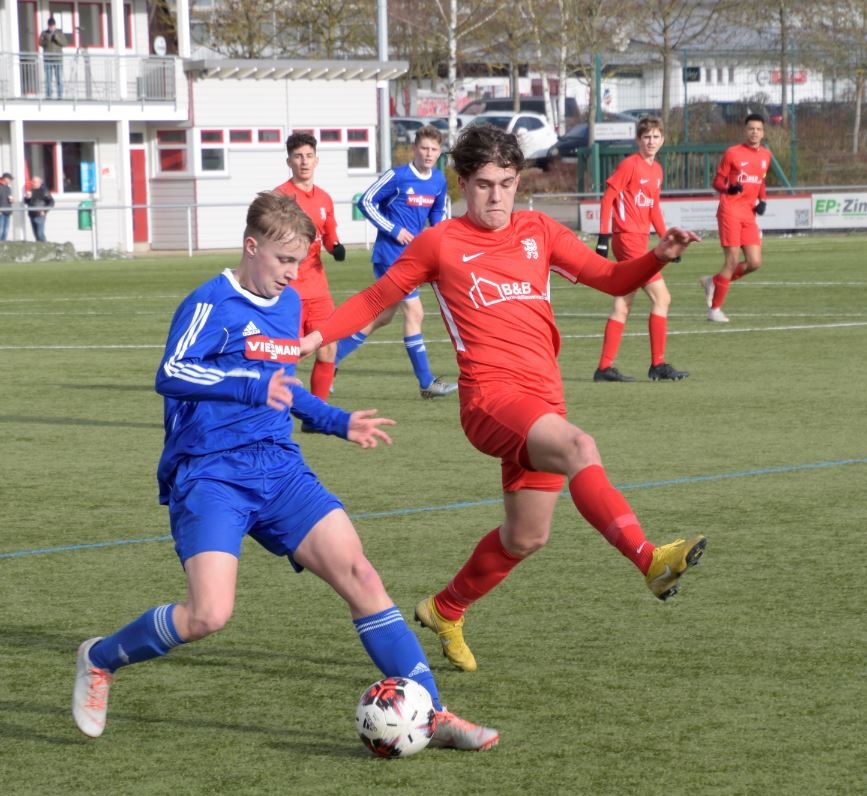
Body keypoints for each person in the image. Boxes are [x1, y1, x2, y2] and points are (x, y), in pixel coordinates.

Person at [71, 190, 498, 751]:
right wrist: (249, 385)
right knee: (208, 615)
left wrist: (336, 420)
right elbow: (171, 372)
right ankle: (100, 659)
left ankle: (434, 714)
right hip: (211, 473)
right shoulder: (210, 302)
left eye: (300, 262)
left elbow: (284, 386)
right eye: (284, 260)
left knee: (361, 576)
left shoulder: (290, 303)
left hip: (279, 468)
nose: (293, 274)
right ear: (252, 247)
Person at [299, 126, 707, 674]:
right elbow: (376, 298)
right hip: (490, 400)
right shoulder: (439, 242)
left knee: (527, 535)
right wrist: (314, 338)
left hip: (543, 400)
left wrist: (657, 256)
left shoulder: (539, 230)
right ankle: (649, 559)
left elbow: (611, 279)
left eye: (507, 184)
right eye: (485, 185)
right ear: (463, 183)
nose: (497, 197)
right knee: (580, 448)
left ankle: (445, 609)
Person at [336, 125, 457, 399]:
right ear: (414, 149)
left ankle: (332, 357)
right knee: (415, 312)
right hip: (390, 256)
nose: (428, 154)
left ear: (439, 152)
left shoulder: (438, 181)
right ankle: (426, 383)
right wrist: (393, 229)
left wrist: (440, 240)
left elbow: (437, 215)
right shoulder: (398, 176)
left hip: (413, 258)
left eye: (434, 149)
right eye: (424, 148)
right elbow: (366, 202)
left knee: (384, 316)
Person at [593, 116, 688, 382]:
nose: (651, 141)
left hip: (639, 240)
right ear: (638, 140)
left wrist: (668, 239)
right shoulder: (629, 165)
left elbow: (653, 207)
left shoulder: (656, 170)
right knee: (662, 298)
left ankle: (604, 369)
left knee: (623, 302)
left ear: (663, 140)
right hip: (627, 240)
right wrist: (603, 236)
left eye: (656, 137)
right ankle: (658, 364)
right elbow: (608, 198)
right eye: (646, 137)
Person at [274, 133, 345, 405]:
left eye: (308, 156)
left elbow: (329, 234)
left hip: (318, 287)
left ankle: (317, 413)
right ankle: (264, 402)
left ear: (317, 160)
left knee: (328, 347)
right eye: (298, 156)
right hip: (288, 288)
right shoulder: (280, 197)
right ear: (289, 162)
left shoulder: (324, 198)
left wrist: (335, 247)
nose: (304, 162)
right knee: (287, 352)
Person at [701, 113, 770, 323]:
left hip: (748, 213)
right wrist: (728, 188)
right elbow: (717, 181)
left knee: (754, 262)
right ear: (745, 131)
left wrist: (762, 200)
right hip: (730, 210)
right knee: (731, 261)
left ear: (763, 133)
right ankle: (714, 310)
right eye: (751, 129)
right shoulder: (733, 153)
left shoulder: (766, 155)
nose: (755, 132)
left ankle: (713, 281)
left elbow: (761, 180)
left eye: (758, 129)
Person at [39, 17, 67, 99]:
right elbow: (40, 43)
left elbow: (65, 43)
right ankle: (48, 95)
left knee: (59, 78)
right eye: (50, 26)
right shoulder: (44, 33)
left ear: (55, 25)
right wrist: (46, 40)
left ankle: (60, 95)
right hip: (48, 59)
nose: (51, 27)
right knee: (48, 78)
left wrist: (57, 38)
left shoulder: (59, 32)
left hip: (58, 59)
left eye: (52, 26)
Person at [24, 176, 54, 241]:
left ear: (39, 183)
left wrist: (45, 211)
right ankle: (39, 246)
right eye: (32, 182)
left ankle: (45, 245)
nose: (33, 183)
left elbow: (51, 202)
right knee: (36, 234)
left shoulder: (44, 191)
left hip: (40, 214)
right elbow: (26, 202)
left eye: (34, 182)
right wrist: (27, 197)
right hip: (32, 214)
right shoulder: (31, 191)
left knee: (40, 234)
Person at [0, 172, 13, 241]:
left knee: (6, 229)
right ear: (6, 179)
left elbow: (9, 198)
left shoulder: (8, 188)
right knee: (1, 229)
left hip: (7, 211)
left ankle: (4, 242)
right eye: (10, 179)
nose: (10, 181)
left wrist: (11, 200)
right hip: (1, 211)